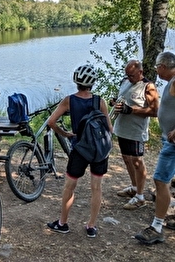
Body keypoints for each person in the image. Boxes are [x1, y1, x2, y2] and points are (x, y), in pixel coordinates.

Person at [46, 64, 113, 238]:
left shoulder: (69, 100)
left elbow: (51, 122)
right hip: (99, 150)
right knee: (96, 188)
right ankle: (91, 226)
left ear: (76, 81)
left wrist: (66, 134)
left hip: (80, 149)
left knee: (70, 187)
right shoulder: (100, 101)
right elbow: (110, 129)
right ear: (93, 83)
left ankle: (63, 223)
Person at [135, 52, 175, 244]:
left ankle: (157, 227)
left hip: (173, 143)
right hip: (169, 140)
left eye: (158, 66)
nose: (156, 70)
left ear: (164, 66)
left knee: (160, 180)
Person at [111, 60, 159, 210]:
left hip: (136, 131)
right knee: (126, 159)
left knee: (137, 161)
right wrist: (115, 103)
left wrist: (131, 110)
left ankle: (140, 196)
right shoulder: (125, 81)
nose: (128, 78)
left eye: (131, 75)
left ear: (140, 72)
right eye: (127, 75)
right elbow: (122, 100)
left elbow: (154, 111)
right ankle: (133, 187)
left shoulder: (148, 87)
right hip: (122, 128)